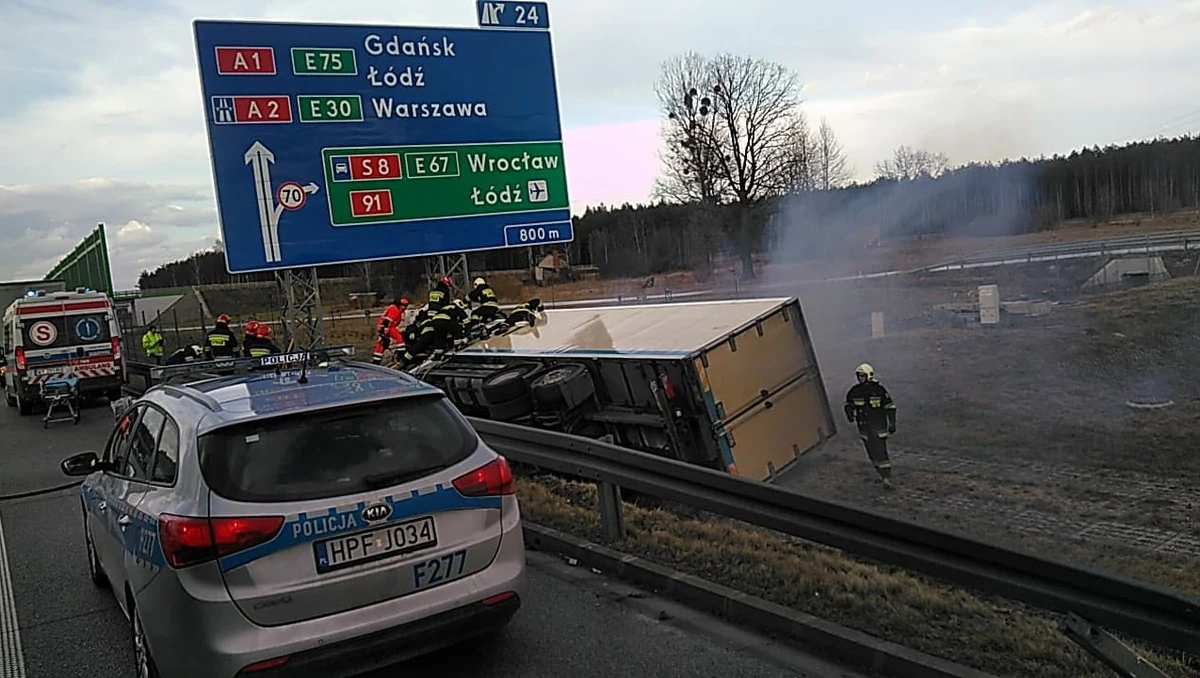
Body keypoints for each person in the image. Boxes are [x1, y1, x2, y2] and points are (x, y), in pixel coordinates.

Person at [844, 362, 897, 489]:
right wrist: (850, 414)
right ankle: (880, 473)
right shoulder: (854, 391)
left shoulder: (879, 391)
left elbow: (890, 407)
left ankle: (886, 477)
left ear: (869, 375)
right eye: (859, 376)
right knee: (871, 453)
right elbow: (848, 405)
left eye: (862, 376)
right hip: (864, 428)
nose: (860, 378)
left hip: (879, 427)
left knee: (881, 451)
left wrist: (892, 422)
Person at [372, 295, 409, 365]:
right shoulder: (395, 310)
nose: (405, 308)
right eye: (404, 306)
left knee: (381, 345)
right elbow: (387, 321)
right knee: (399, 339)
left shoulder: (394, 308)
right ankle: (400, 357)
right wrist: (385, 332)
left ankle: (376, 361)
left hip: (385, 327)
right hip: (387, 327)